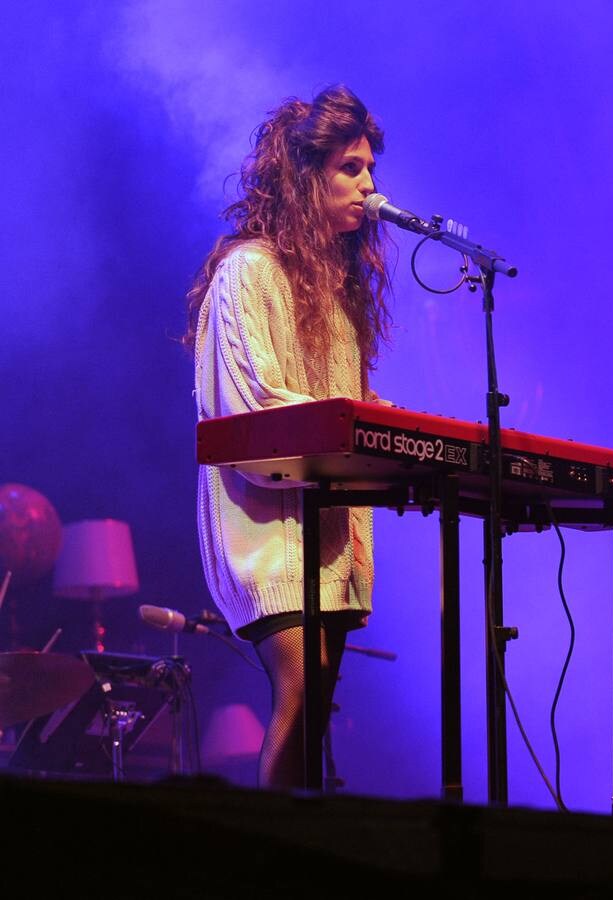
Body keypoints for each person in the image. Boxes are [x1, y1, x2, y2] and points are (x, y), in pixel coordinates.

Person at [186, 85, 390, 789]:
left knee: (316, 707)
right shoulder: (250, 272)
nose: (370, 185)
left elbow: (343, 406)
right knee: (301, 694)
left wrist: (377, 424)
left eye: (370, 169)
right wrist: (359, 426)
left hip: (328, 534)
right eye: (351, 168)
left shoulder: (337, 293)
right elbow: (257, 407)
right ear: (306, 176)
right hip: (270, 531)